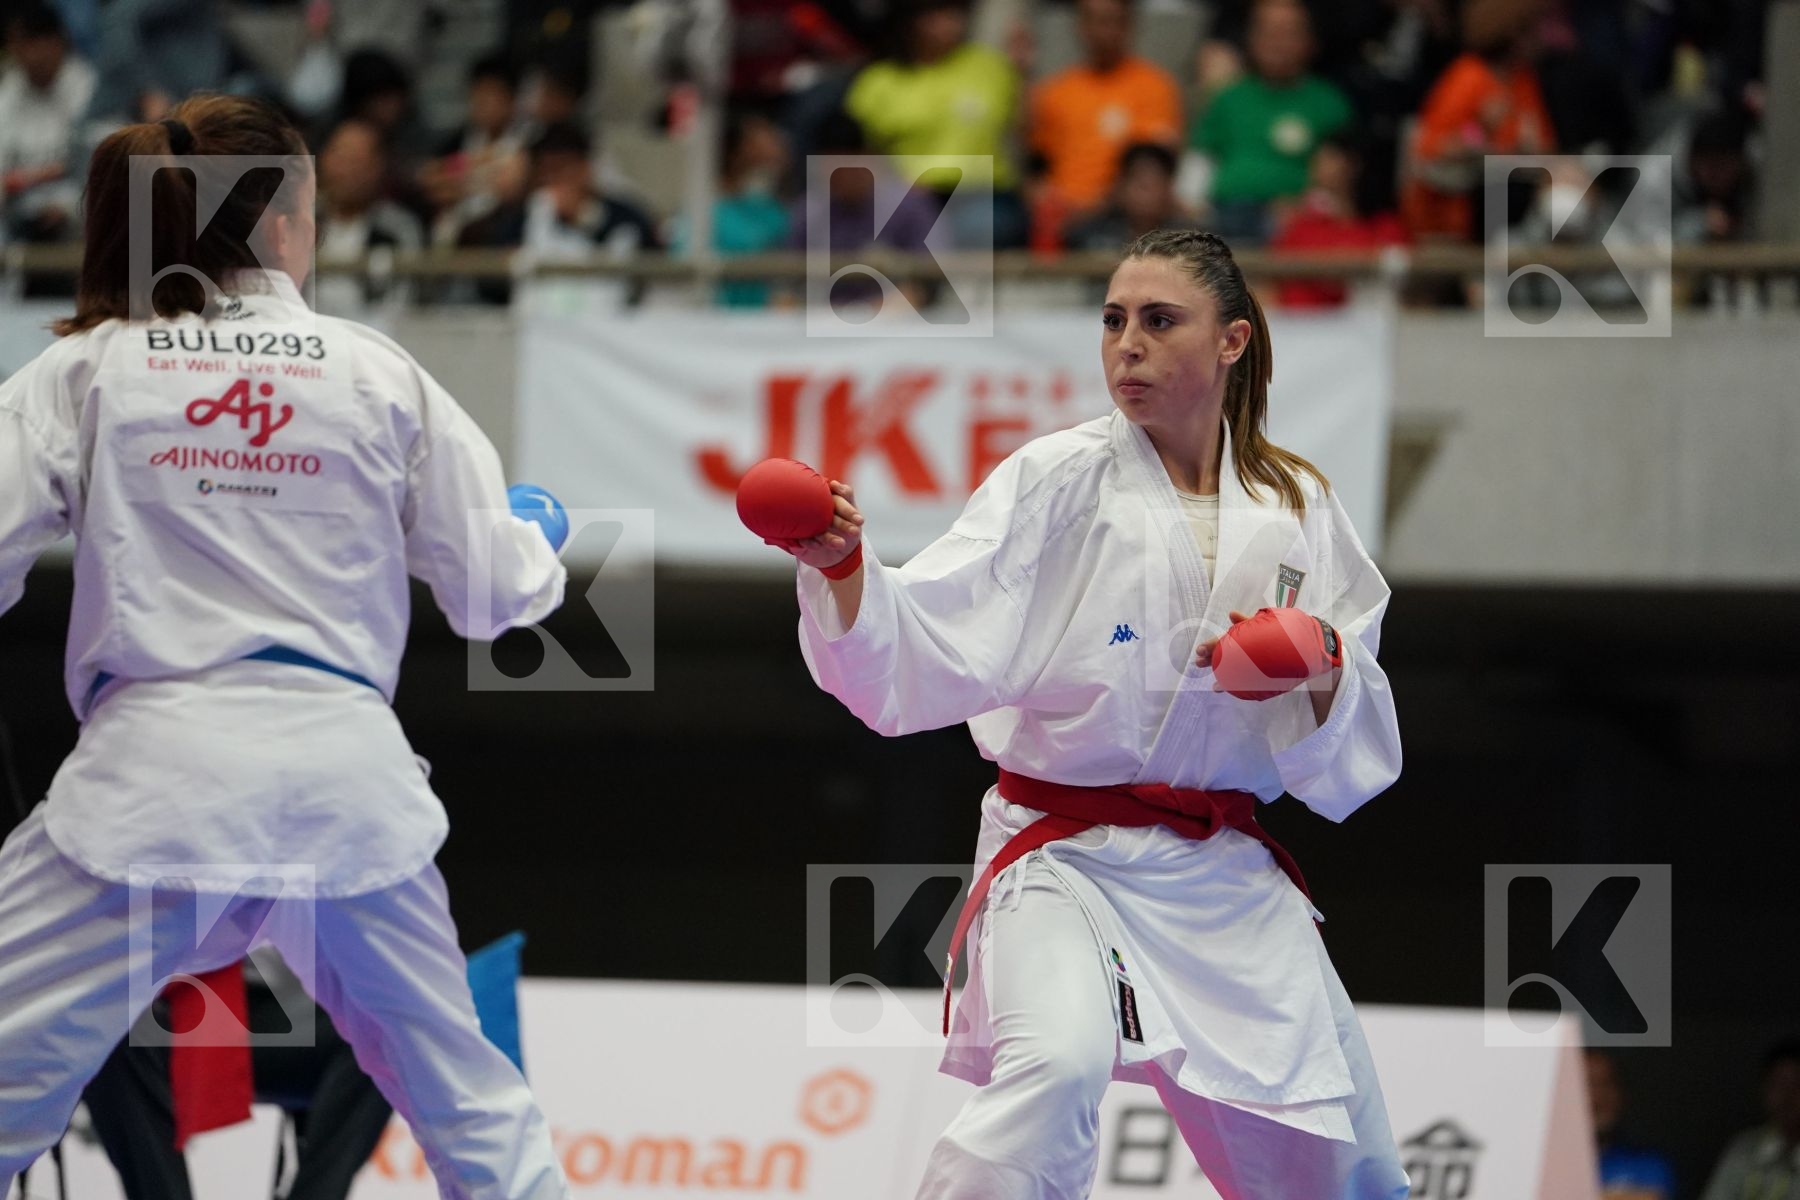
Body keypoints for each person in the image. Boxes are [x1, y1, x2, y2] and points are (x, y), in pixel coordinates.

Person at [0, 94, 572, 1198]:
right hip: (343, 789)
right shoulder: (378, 372)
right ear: (292, 221)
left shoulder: (98, 367)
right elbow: (495, 597)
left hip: (158, 782)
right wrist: (534, 534)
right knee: (475, 1112)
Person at [771, 227, 1407, 1199]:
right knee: (1054, 1066)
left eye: (1159, 321)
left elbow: (1357, 754)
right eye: (1113, 320)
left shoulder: (1296, 504)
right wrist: (844, 569)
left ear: (1231, 342)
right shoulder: (1058, 480)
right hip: (1064, 858)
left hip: (1223, 876)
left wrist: (1317, 666)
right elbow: (926, 641)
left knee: (1347, 1169)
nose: (1127, 344)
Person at [1189, 0, 1352, 245]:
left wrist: (1306, 207)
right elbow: (1200, 160)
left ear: (1311, 41)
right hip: (1224, 214)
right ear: (1250, 38)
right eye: (1269, 32)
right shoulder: (1228, 97)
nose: (1278, 43)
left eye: (1289, 33)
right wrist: (1192, 206)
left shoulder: (1328, 103)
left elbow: (1336, 181)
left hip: (1295, 220)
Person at [1027, 0, 1182, 243]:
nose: (1101, 31)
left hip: (1124, 218)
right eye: (1093, 20)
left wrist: (1097, 207)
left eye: (1110, 21)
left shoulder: (1155, 87)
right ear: (1080, 25)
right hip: (1064, 216)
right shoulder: (1055, 92)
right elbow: (1038, 166)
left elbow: (1153, 166)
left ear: (1129, 25)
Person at [1700, 1040, 1800, 1200]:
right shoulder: (1744, 1149)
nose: (1788, 1096)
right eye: (1779, 1084)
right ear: (1765, 1089)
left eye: (1797, 1085)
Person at [1585, 1049, 1676, 1199]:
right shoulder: (1542, 1163)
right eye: (1589, 1085)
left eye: (1607, 1084)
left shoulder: (1647, 1165)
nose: (1599, 1097)